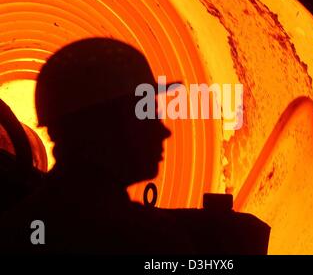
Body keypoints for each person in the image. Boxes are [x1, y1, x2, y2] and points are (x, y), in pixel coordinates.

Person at [0, 37, 193, 254]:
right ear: (108, 127)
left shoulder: (15, 231)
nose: (163, 131)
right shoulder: (145, 239)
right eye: (150, 116)